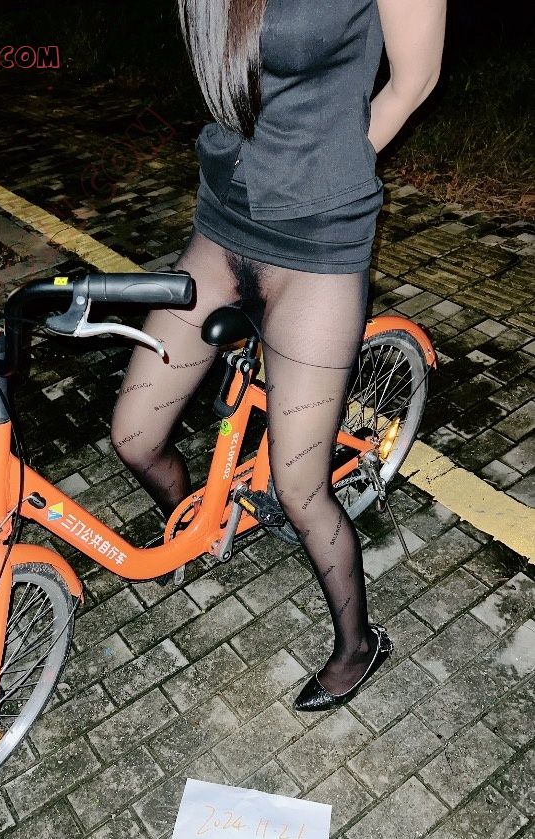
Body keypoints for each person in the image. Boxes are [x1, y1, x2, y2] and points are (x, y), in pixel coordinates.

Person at [110, 0, 446, 710]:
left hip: (319, 242)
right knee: (135, 437)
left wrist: (330, 172)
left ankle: (359, 645)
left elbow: (413, 81)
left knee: (299, 491)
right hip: (223, 218)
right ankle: (200, 527)